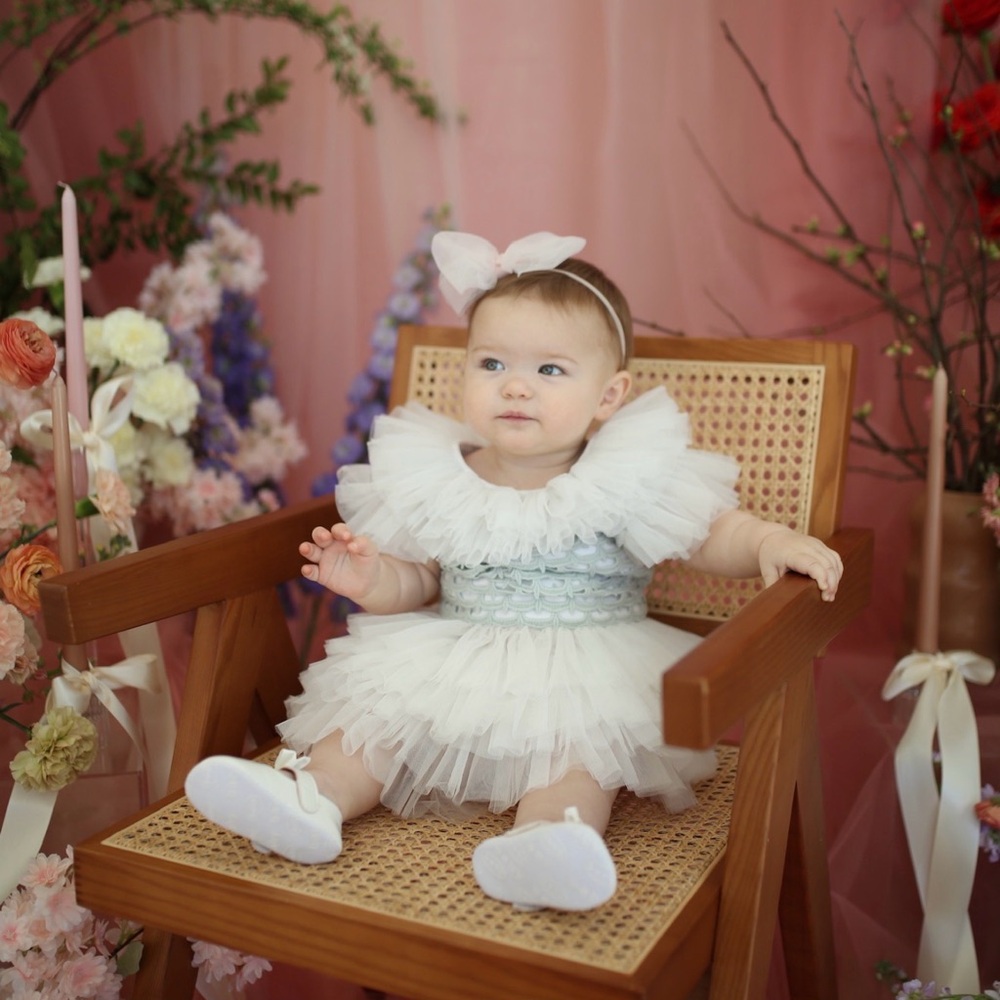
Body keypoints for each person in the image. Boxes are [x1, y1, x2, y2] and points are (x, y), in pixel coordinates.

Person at [185, 231, 843, 912]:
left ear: (609, 396)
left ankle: (547, 844)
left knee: (575, 763)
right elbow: (427, 581)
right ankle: (310, 800)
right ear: (463, 373)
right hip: (452, 659)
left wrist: (765, 541)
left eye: (551, 370)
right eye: (492, 363)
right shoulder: (441, 474)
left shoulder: (623, 475)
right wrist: (374, 581)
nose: (517, 386)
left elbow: (707, 532)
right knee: (368, 728)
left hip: (586, 670)